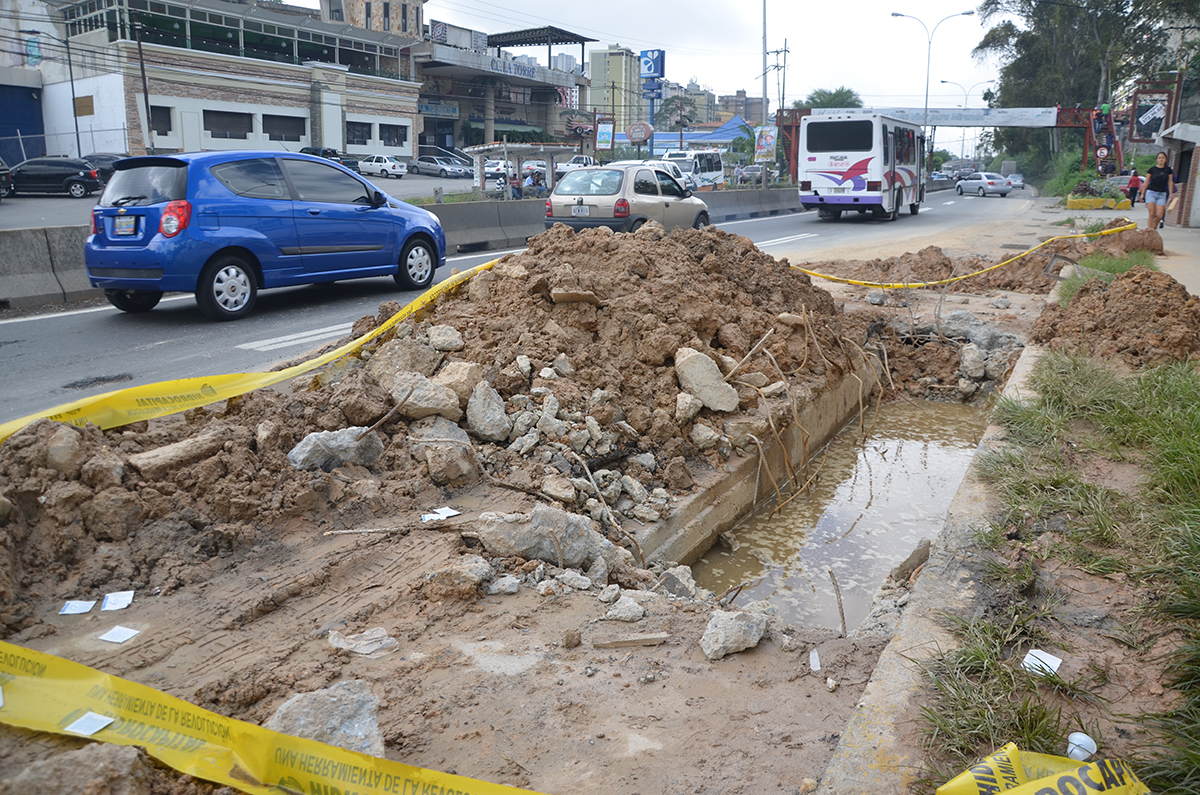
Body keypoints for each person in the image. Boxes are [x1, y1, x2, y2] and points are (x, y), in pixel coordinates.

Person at [1139, 151, 1176, 230]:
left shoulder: (1168, 170)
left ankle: (1153, 226)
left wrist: (1171, 193)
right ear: (1157, 159)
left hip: (1162, 193)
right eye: (1159, 158)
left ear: (1166, 159)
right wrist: (1142, 194)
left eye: (1163, 158)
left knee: (1159, 215)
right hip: (1151, 192)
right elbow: (1146, 182)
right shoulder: (1152, 169)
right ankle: (1150, 230)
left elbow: (1170, 182)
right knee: (1152, 213)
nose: (1161, 159)